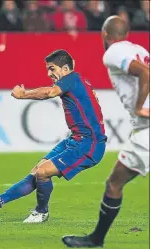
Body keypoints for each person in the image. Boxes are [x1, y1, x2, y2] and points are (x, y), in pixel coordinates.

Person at [0, 49, 107, 223]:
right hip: (75, 139)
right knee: (37, 171)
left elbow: (49, 92)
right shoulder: (77, 80)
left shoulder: (71, 79)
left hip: (89, 144)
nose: (49, 73)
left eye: (52, 69)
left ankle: (41, 212)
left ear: (65, 68)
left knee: (43, 172)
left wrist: (23, 95)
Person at [62, 15, 149, 248]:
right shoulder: (138, 48)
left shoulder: (113, 52)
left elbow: (145, 73)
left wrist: (141, 107)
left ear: (105, 35)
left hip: (147, 130)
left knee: (114, 184)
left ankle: (96, 240)